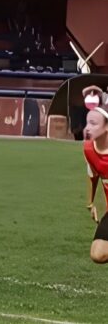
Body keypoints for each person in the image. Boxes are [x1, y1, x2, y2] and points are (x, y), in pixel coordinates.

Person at [81, 106, 108, 264]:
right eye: (87, 123)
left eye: (93, 123)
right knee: (98, 254)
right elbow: (92, 175)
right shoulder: (89, 149)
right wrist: (91, 203)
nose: (88, 128)